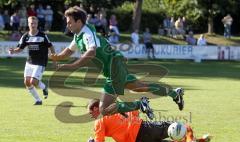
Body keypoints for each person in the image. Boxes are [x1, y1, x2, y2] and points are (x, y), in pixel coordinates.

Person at [50, 6, 184, 120]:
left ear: (79, 22)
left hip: (114, 69)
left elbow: (92, 52)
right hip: (116, 64)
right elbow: (68, 51)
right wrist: (56, 57)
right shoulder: (78, 35)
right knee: (141, 87)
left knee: (104, 109)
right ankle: (174, 94)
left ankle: (140, 104)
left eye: (69, 22)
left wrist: (72, 66)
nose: (68, 25)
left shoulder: (87, 34)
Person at [87, 99, 212, 142]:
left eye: (90, 111)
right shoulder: (117, 106)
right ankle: (191, 141)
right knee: (184, 126)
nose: (90, 115)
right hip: (145, 129)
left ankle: (200, 141)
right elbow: (135, 113)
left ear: (96, 108)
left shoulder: (98, 122)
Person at [8, 16, 55, 105]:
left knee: (33, 81)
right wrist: (13, 51)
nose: (33, 25)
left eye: (35, 23)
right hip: (29, 62)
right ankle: (38, 100)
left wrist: (54, 59)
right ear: (28, 24)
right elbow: (20, 48)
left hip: (41, 62)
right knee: (27, 82)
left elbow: (51, 46)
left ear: (37, 24)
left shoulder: (42, 35)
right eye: (31, 23)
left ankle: (44, 87)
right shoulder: (25, 36)